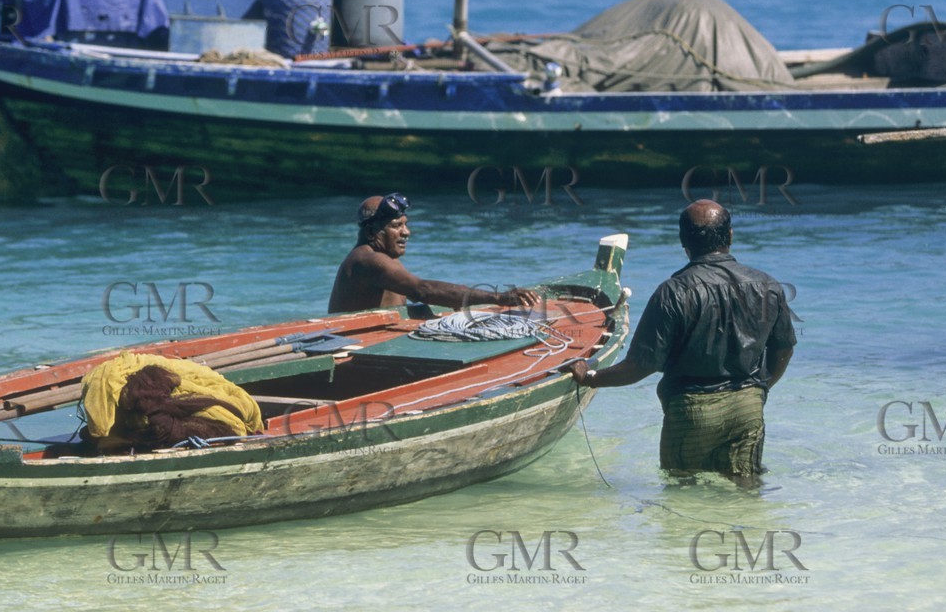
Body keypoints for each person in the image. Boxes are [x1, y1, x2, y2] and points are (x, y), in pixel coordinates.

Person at [569, 200, 796, 486]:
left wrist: (589, 376)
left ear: (682, 241)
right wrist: (759, 389)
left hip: (691, 413)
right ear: (730, 236)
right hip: (747, 407)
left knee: (684, 494)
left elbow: (640, 365)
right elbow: (784, 348)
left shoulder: (673, 292)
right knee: (746, 494)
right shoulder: (767, 286)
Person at [327, 192, 542, 314]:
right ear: (373, 231)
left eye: (406, 224)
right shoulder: (368, 261)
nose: (406, 232)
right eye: (396, 226)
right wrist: (498, 297)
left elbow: (418, 294)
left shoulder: (382, 261)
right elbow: (423, 289)